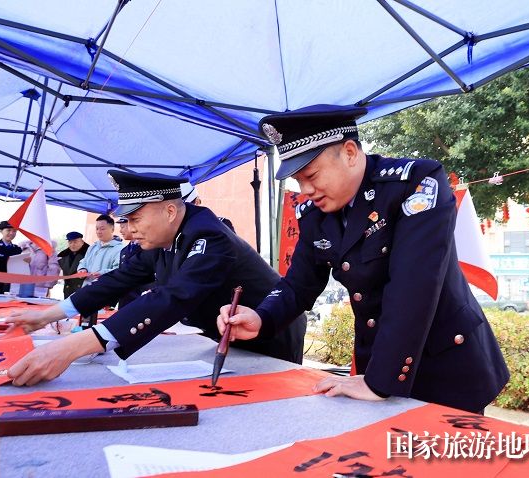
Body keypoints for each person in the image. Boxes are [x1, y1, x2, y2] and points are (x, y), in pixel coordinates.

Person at [217, 104, 510, 414]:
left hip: (446, 367)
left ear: (350, 153)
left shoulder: (416, 184)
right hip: (378, 370)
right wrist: (262, 317)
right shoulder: (317, 215)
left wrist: (379, 381)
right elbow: (297, 285)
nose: (306, 190)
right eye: (298, 182)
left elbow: (413, 287)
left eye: (311, 175)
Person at [6, 170, 307, 386]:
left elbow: (174, 296)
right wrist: (48, 316)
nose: (129, 228)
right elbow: (117, 280)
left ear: (170, 211)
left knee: (265, 397)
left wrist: (72, 347)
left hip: (272, 330)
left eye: (135, 219)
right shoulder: (161, 240)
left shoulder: (209, 235)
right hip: (225, 333)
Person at [77, 214, 124, 286]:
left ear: (112, 229)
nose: (99, 231)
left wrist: (102, 273)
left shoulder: (120, 249)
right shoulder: (93, 247)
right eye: (97, 228)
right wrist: (82, 269)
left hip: (104, 290)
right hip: (87, 288)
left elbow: (119, 270)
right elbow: (84, 261)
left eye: (102, 229)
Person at [115, 217, 148, 308]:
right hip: (124, 300)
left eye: (123, 227)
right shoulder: (124, 251)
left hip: (140, 300)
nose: (121, 231)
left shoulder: (147, 248)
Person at [57, 231, 90, 298]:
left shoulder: (89, 254)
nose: (72, 244)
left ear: (82, 242)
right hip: (68, 291)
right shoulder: (64, 255)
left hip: (82, 290)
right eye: (70, 242)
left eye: (75, 242)